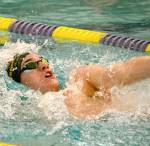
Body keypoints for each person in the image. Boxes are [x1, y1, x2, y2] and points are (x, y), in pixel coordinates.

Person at [6, 52, 150, 118]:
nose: (44, 66)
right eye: (31, 64)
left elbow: (120, 73)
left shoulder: (81, 79)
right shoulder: (26, 114)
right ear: (19, 81)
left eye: (43, 60)